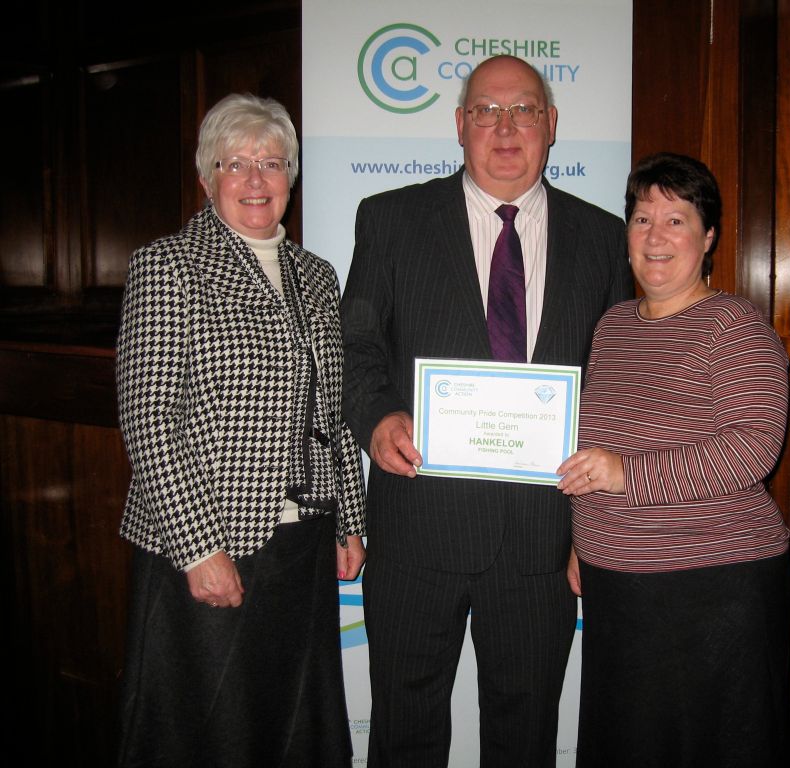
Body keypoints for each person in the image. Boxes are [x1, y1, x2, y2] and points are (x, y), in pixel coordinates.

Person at [340, 55, 632, 767]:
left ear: (552, 126)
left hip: (543, 540)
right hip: (417, 528)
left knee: (525, 734)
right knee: (403, 733)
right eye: (486, 111)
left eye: (525, 110)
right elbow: (355, 347)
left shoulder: (603, 239)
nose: (506, 127)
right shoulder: (391, 219)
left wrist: (595, 533)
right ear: (460, 126)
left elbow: (618, 388)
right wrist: (378, 419)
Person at [116, 92, 366, 768]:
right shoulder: (168, 266)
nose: (257, 180)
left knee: (290, 723)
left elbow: (329, 409)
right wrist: (200, 549)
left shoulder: (317, 276)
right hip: (208, 540)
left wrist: (350, 516)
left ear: (292, 178)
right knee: (204, 731)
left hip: (301, 543)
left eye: (273, 163)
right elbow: (148, 419)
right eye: (237, 164)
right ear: (207, 177)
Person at [557, 152, 790, 767]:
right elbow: (597, 438)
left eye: (676, 220)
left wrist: (624, 475)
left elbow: (752, 449)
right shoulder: (611, 326)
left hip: (710, 588)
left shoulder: (735, 326)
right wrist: (584, 538)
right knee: (630, 742)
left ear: (708, 236)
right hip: (619, 586)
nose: (655, 237)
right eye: (641, 219)